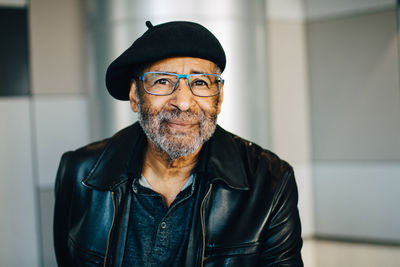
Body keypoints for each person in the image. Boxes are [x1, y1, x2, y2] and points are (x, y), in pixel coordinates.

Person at [53, 20, 303, 267]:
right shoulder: (80, 174)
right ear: (134, 96)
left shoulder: (270, 182)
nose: (183, 102)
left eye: (200, 82)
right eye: (162, 81)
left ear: (219, 97)